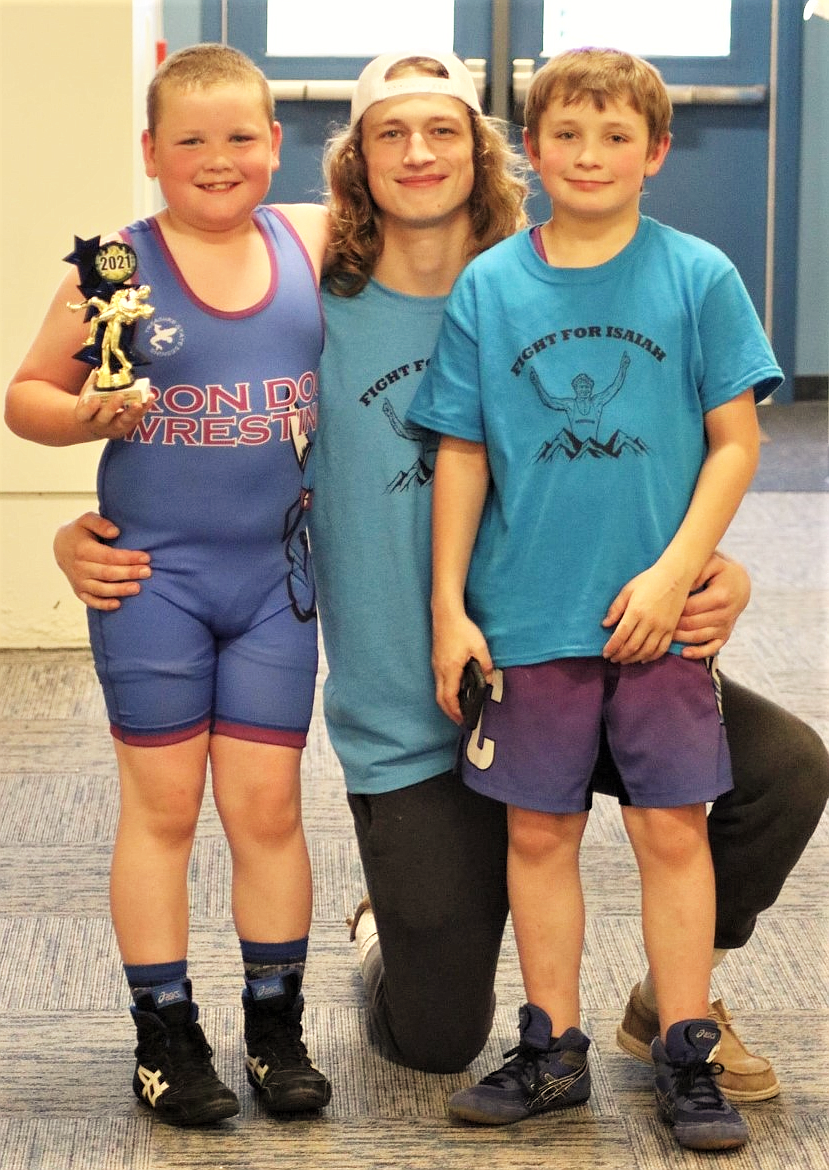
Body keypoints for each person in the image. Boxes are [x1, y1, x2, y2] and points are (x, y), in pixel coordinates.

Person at [50, 48, 829, 1110]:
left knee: (783, 769)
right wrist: (82, 528)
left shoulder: (549, 273)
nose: (417, 155)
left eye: (444, 131)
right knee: (432, 1040)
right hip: (411, 712)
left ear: (488, 152)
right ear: (353, 163)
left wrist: (714, 564)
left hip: (575, 645)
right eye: (388, 135)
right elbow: (188, 380)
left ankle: (675, 1002)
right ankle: (388, 925)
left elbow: (658, 431)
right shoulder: (306, 292)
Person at [407, 47, 785, 1150]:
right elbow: (463, 456)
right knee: (540, 834)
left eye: (615, 136)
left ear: (655, 153)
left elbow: (735, 443)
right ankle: (551, 1047)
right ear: (530, 148)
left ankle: (683, 1048)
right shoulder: (490, 285)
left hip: (656, 624)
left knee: (674, 830)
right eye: (565, 134)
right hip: (526, 617)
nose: (587, 155)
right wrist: (449, 606)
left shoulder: (697, 275)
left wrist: (677, 575)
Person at [4, 44, 331, 1126]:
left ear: (275, 145)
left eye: (241, 136)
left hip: (274, 585)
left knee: (268, 809)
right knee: (162, 811)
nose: (217, 158)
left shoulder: (309, 242)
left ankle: (275, 1033)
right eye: (189, 140)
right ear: (149, 153)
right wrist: (87, 415)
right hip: (154, 582)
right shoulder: (115, 267)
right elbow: (27, 395)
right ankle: (164, 1039)